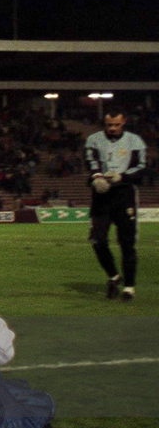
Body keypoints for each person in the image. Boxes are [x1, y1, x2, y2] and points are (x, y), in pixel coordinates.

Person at [84, 109, 147, 300]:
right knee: (97, 240)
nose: (112, 128)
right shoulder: (94, 139)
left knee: (127, 243)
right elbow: (90, 160)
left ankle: (129, 287)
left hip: (124, 195)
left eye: (116, 124)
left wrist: (122, 176)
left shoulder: (135, 141)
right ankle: (114, 275)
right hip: (101, 194)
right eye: (109, 125)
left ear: (124, 122)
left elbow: (142, 167)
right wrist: (96, 177)